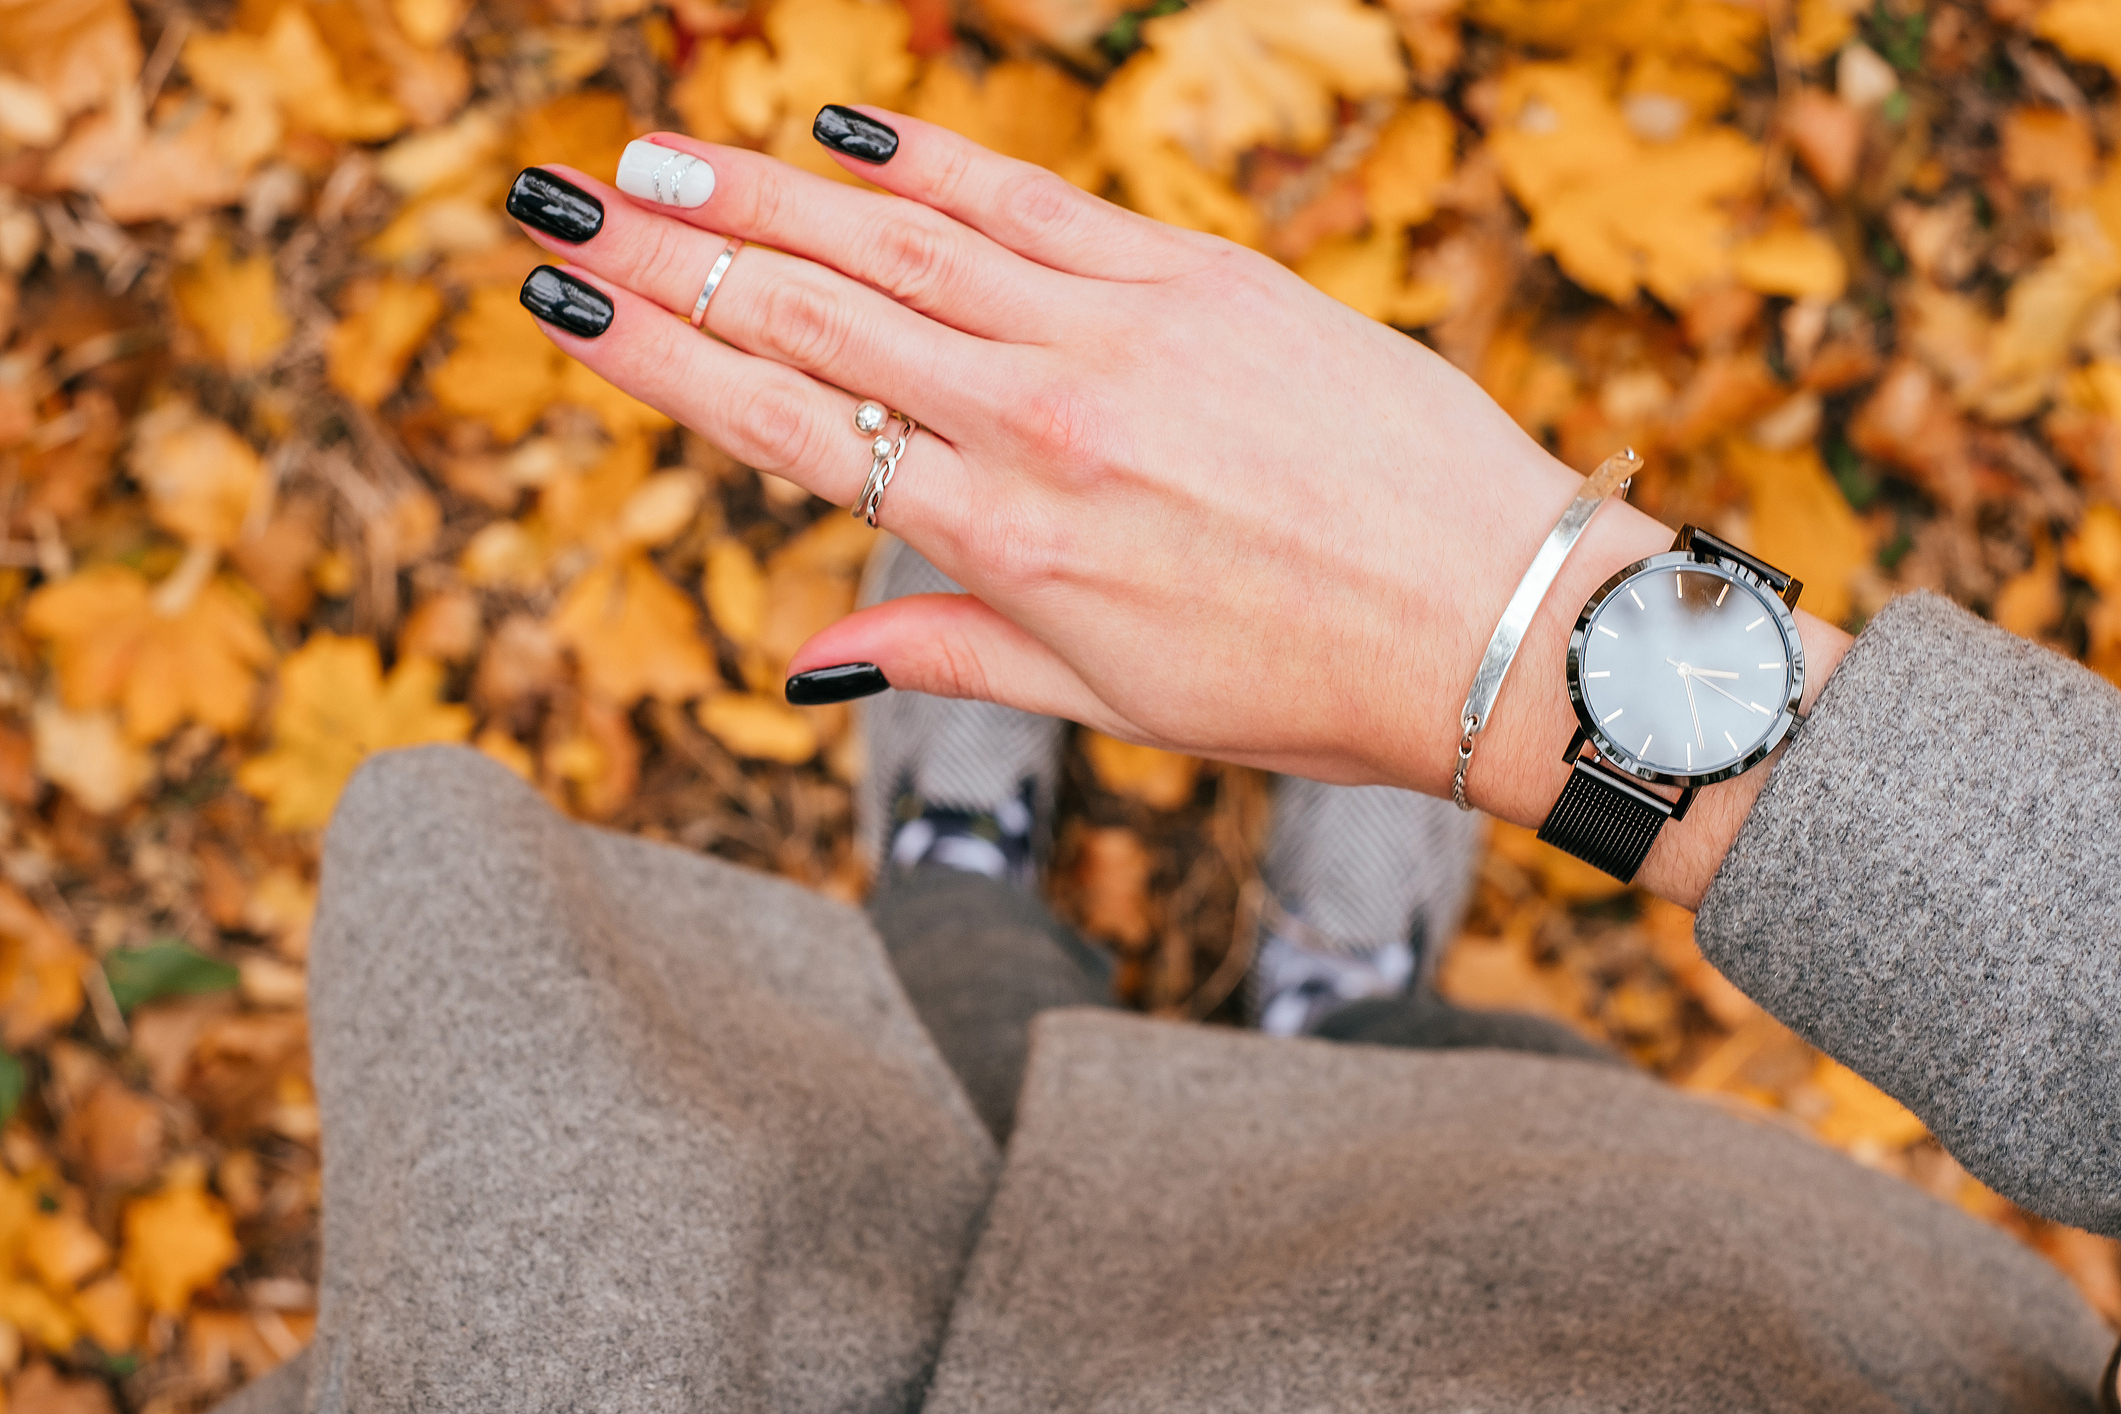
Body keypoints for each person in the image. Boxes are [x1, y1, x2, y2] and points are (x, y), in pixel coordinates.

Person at [218, 108, 2120, 1412]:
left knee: (934, 1029)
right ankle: (1338, 1005)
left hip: (759, 1315)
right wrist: (1512, 625)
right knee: (1432, 1117)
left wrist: (1527, 646)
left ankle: (957, 881)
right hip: (1615, 1278)